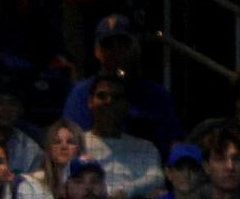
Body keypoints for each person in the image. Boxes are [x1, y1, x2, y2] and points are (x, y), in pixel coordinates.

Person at [62, 15, 182, 148]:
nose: (116, 51)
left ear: (135, 47)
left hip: (146, 163)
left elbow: (173, 142)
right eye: (108, 45)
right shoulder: (81, 93)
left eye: (123, 44)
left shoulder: (156, 94)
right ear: (97, 51)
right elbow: (73, 142)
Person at [82, 73, 163, 199]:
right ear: (90, 101)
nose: (109, 101)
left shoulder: (144, 147)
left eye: (117, 97)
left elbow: (157, 178)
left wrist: (127, 191)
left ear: (127, 106)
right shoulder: (74, 143)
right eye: (102, 96)